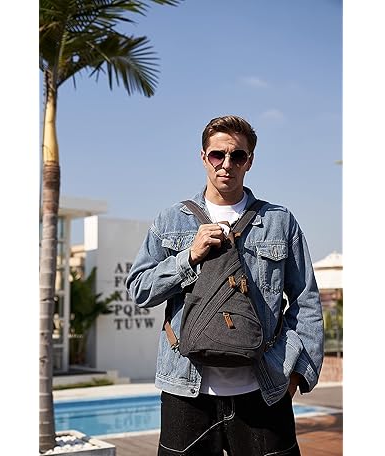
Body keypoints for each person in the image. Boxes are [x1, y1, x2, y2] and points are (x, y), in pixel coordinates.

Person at [126, 115, 324, 456]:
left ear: (250, 161)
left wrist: (294, 376)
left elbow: (306, 300)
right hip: (186, 390)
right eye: (218, 154)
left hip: (264, 388)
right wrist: (188, 257)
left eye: (238, 156)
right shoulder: (171, 220)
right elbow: (139, 289)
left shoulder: (279, 221)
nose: (227, 164)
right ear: (204, 157)